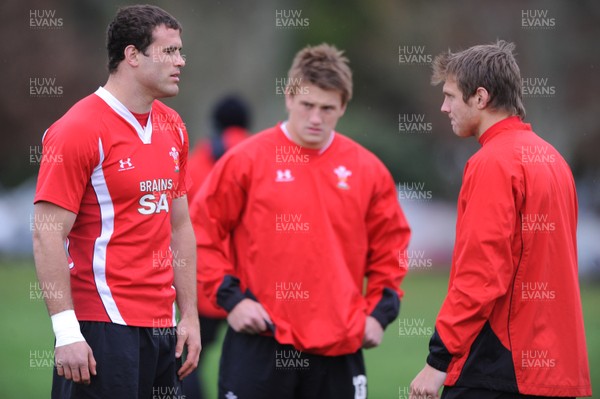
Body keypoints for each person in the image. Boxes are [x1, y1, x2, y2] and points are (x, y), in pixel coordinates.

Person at [189, 43, 411, 399]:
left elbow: (392, 249)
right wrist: (232, 300)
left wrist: (378, 314)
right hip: (259, 342)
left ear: (343, 106)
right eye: (307, 105)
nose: (315, 118)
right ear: (289, 98)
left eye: (327, 108)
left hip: (338, 347)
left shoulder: (369, 170)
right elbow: (201, 231)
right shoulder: (245, 161)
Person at [32, 5, 200, 398]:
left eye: (181, 51)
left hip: (163, 327)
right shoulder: (78, 129)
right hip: (102, 328)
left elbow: (180, 226)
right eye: (170, 51)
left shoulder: (173, 126)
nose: (181, 61)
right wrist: (66, 331)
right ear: (132, 55)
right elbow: (46, 233)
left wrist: (189, 315)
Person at [410, 40, 592, 399]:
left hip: (499, 368)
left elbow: (481, 273)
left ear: (480, 97)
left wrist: (438, 361)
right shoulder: (553, 159)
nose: (444, 107)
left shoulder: (493, 162)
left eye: (450, 96)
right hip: (552, 369)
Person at [183, 95, 252, 399]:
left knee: (187, 360)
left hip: (206, 283)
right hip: (252, 287)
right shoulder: (263, 156)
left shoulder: (196, 161)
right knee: (254, 364)